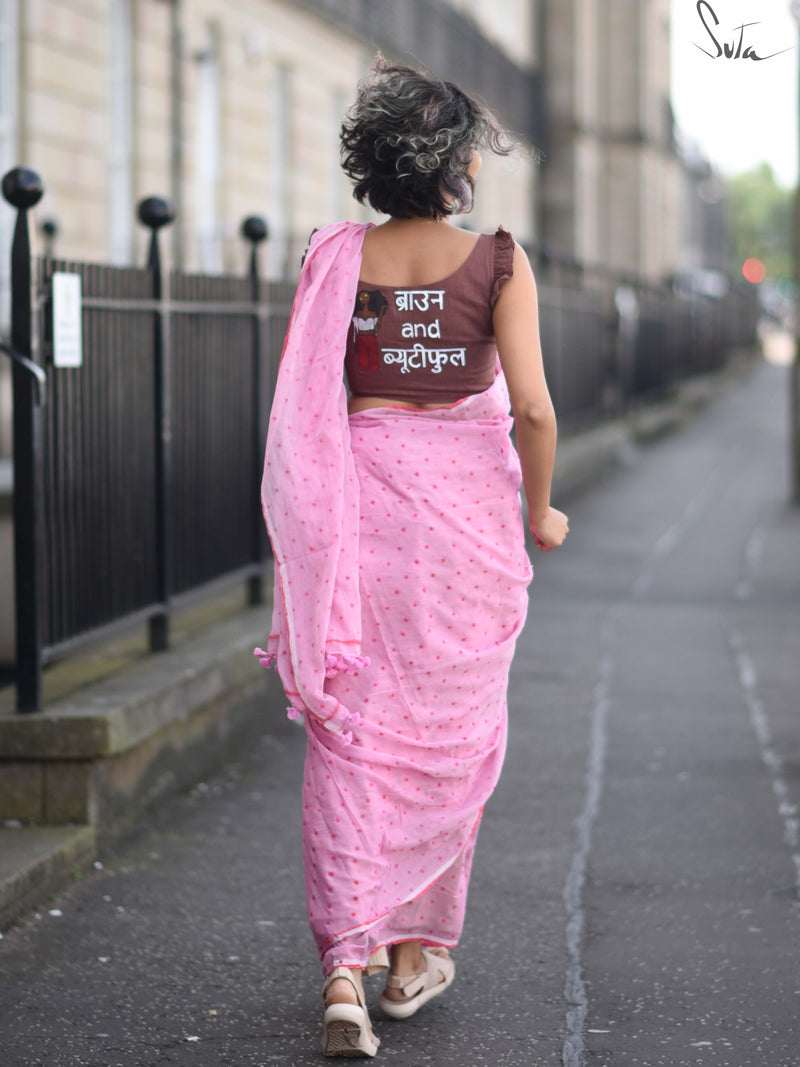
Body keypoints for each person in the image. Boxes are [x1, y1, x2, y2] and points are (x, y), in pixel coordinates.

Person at [255, 59, 568, 1058]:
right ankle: (410, 956)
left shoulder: (334, 255)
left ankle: (342, 963)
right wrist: (541, 507)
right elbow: (530, 408)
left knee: (352, 733)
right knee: (447, 740)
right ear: (458, 164)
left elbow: (309, 403)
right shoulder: (500, 262)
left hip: (361, 516)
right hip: (461, 529)